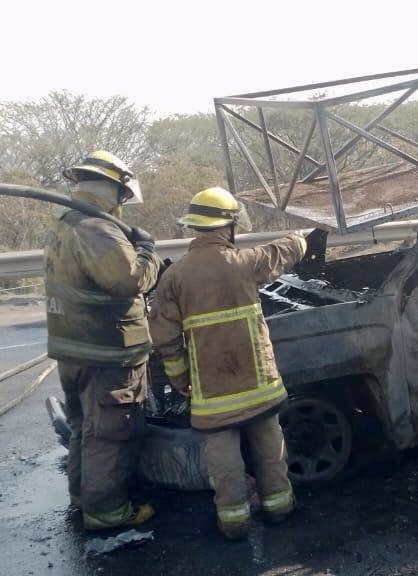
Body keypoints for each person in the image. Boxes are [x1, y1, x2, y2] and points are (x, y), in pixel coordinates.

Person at [148, 186, 307, 540]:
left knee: (223, 457)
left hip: (213, 391)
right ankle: (280, 508)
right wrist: (303, 239)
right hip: (259, 384)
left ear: (196, 227)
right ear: (227, 227)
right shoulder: (246, 262)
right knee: (269, 445)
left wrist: (180, 378)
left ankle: (233, 522)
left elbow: (164, 338)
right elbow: (280, 252)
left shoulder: (175, 277)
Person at [44, 150, 160, 530]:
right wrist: (147, 251)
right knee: (110, 435)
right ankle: (108, 513)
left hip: (74, 350)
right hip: (107, 352)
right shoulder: (98, 229)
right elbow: (128, 280)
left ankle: (83, 498)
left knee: (84, 429)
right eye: (122, 196)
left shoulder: (65, 222)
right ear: (113, 188)